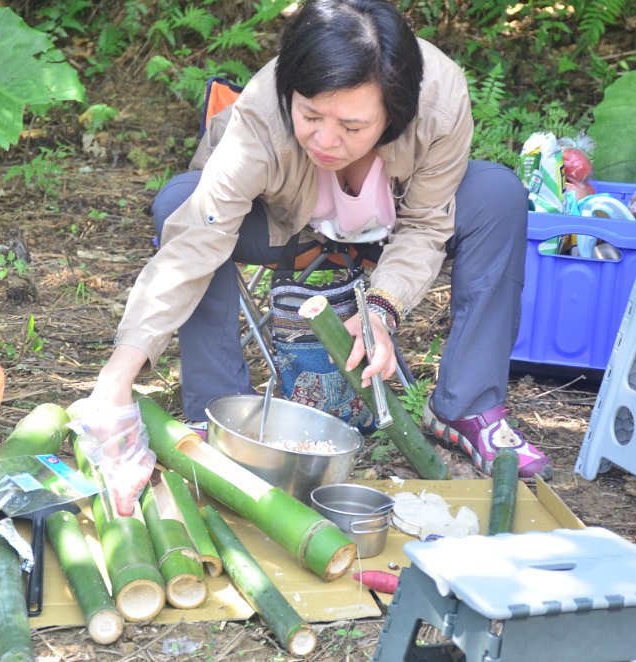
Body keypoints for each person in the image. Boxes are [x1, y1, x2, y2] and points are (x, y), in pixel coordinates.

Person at [87, 0, 552, 482]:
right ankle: (217, 411)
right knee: (179, 201)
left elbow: (425, 225)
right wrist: (116, 379)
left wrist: (380, 310)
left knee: (497, 194)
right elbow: (198, 237)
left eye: (352, 126)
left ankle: (467, 407)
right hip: (285, 230)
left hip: (392, 228)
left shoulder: (438, 99)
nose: (326, 141)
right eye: (310, 116)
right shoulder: (263, 113)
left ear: (394, 113)